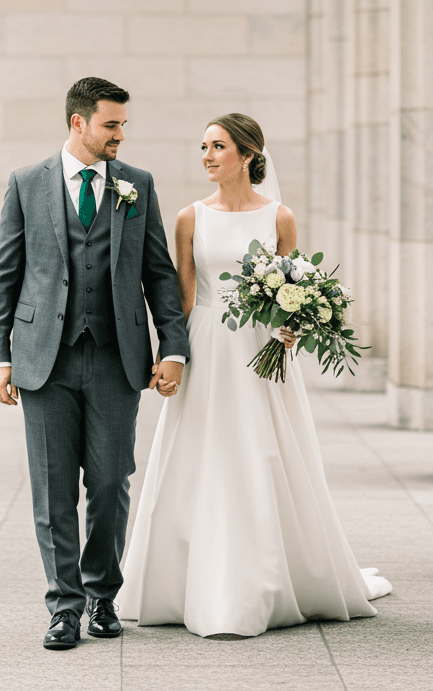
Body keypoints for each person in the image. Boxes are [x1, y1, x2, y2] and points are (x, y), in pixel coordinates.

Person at [118, 112, 391, 637]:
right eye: (203, 147)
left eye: (218, 146)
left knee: (261, 450)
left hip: (260, 350)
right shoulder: (189, 218)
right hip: (207, 345)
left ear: (247, 155)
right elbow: (182, 297)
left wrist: (292, 326)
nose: (207, 156)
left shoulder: (279, 218)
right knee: (202, 449)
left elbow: (293, 286)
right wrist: (170, 355)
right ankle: (187, 581)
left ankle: (265, 577)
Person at [0, 77, 190, 650]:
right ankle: (64, 608)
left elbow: (159, 274)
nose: (120, 135)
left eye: (122, 125)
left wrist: (172, 347)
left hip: (115, 358)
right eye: (111, 124)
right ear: (79, 123)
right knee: (52, 492)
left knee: (108, 483)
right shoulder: (28, 183)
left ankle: (103, 594)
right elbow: (5, 273)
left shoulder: (136, 186)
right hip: (42, 360)